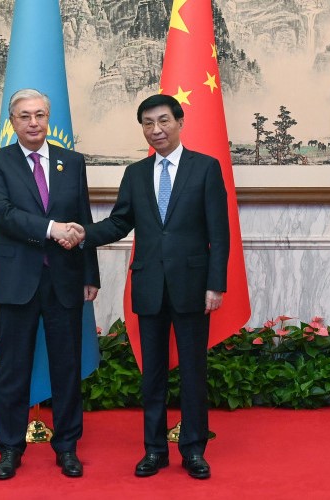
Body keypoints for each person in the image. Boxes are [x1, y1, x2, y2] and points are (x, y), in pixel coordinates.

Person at [64, 94, 229, 479]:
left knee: (192, 372)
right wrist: (82, 234)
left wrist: (215, 284)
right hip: (150, 286)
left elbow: (219, 234)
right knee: (152, 374)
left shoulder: (205, 168)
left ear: (179, 121)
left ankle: (193, 450)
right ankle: (154, 450)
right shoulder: (136, 173)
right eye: (148, 124)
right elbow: (120, 223)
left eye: (163, 121)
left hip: (193, 287)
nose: (156, 130)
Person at [0, 88, 100, 480]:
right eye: (25, 116)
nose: (33, 123)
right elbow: (2, 214)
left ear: (48, 119)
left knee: (66, 367)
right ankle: (10, 448)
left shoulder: (72, 161)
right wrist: (51, 229)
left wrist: (90, 274)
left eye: (40, 116)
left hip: (65, 281)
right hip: (17, 281)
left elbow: (83, 216)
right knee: (13, 369)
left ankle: (67, 447)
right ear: (12, 122)